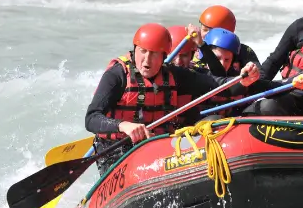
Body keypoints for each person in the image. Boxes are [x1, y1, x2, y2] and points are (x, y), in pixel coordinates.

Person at [84, 23, 260, 174]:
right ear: (135, 49)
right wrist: (124, 126)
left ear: (163, 56)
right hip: (117, 152)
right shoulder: (116, 76)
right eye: (143, 51)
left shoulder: (175, 75)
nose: (146, 60)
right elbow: (91, 118)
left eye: (154, 54)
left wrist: (244, 81)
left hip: (157, 149)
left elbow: (218, 86)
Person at [194, 5, 260, 76]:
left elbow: (261, 77)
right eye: (204, 30)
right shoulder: (191, 48)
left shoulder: (244, 51)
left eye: (212, 32)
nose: (207, 35)